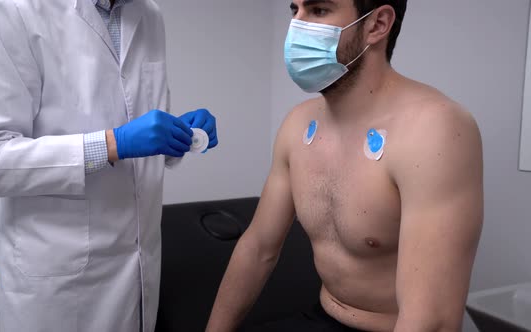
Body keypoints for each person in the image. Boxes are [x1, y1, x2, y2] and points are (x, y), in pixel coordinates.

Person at [206, 0, 483, 331]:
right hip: (321, 316)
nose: (297, 27)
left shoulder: (435, 130)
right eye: (295, 11)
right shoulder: (298, 124)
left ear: (377, 24)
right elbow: (258, 248)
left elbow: (432, 320)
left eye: (319, 10)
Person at [0, 0, 218, 331]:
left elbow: (137, 131)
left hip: (140, 276)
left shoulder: (148, 14)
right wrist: (112, 144)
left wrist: (178, 135)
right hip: (57, 293)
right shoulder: (3, 7)